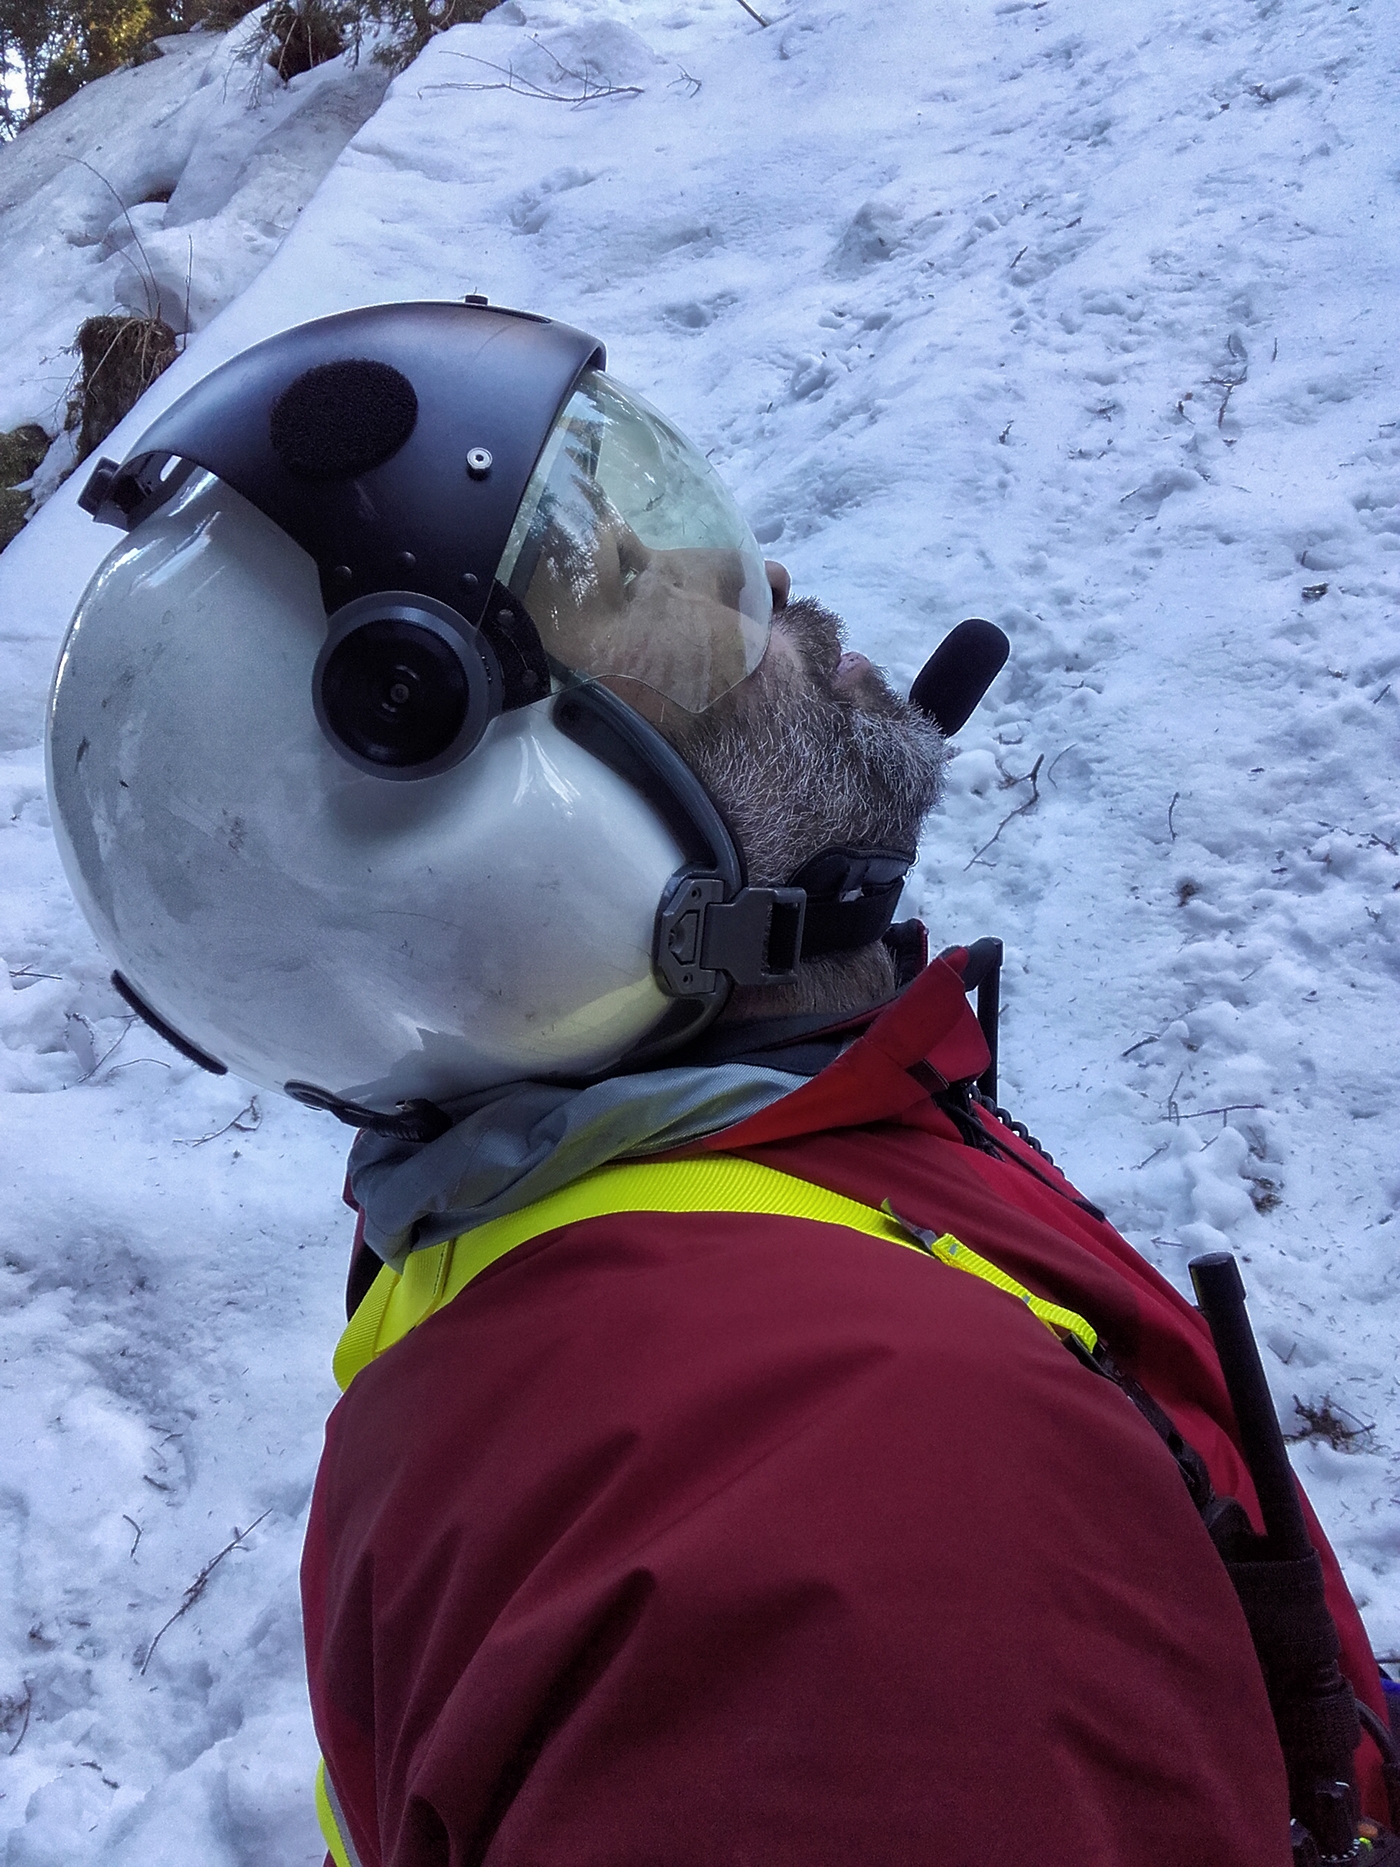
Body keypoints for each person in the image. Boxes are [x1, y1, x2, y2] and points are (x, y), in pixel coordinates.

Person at [47, 301, 1396, 1867]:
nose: (750, 581)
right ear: (525, 855)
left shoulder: (577, 1248)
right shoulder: (859, 1499)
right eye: (620, 580)